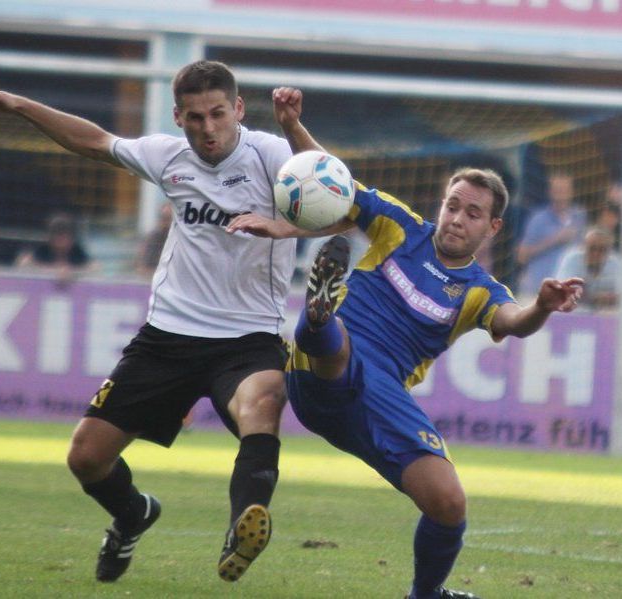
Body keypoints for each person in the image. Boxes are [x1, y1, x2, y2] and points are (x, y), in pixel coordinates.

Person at [228, 86, 584, 599]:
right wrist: (291, 126)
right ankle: (318, 312)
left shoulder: (480, 291)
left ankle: (425, 596)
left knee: (449, 504)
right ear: (441, 206)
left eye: (472, 213)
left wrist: (543, 306)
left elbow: (513, 319)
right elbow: (331, 181)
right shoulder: (400, 227)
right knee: (331, 342)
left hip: (379, 398)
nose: (458, 218)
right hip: (321, 373)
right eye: (453, 205)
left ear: (492, 227)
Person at [0, 60, 297, 584]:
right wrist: (20, 105)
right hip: (168, 337)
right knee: (86, 459)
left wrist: (280, 224)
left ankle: (244, 526)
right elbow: (94, 140)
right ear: (178, 117)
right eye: (194, 118)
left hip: (248, 335)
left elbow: (339, 196)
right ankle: (132, 513)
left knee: (264, 401)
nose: (207, 129)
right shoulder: (169, 157)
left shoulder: (272, 154)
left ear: (237, 109)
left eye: (216, 114)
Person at [516, 172, 586, 297]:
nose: (561, 195)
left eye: (564, 190)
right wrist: (554, 240)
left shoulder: (580, 216)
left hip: (568, 292)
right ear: (550, 192)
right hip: (537, 290)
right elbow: (522, 256)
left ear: (572, 192)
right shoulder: (538, 218)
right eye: (557, 190)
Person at [16, 213, 94, 285]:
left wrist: (72, 273)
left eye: (65, 233)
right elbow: (23, 263)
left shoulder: (78, 252)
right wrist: (53, 271)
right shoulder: (42, 250)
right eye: (57, 232)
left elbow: (94, 268)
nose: (61, 237)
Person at [555, 226, 621, 310]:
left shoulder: (617, 265)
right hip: (574, 312)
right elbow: (563, 290)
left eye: (602, 249)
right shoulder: (571, 260)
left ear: (609, 251)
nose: (596, 253)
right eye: (592, 248)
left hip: (607, 314)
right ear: (583, 247)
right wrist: (594, 297)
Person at [135, 203, 173, 277]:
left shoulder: (179, 240)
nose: (165, 222)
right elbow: (142, 268)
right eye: (163, 217)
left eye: (168, 218)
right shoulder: (152, 238)